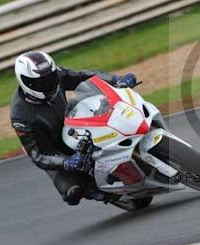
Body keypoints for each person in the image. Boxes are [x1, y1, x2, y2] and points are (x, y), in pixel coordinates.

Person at [10, 51, 137, 206]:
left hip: (75, 127)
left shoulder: (55, 75)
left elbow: (85, 77)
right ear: (27, 83)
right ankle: (97, 192)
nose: (50, 84)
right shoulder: (20, 115)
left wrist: (116, 79)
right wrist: (65, 162)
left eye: (51, 78)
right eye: (42, 82)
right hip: (54, 150)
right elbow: (38, 154)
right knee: (72, 192)